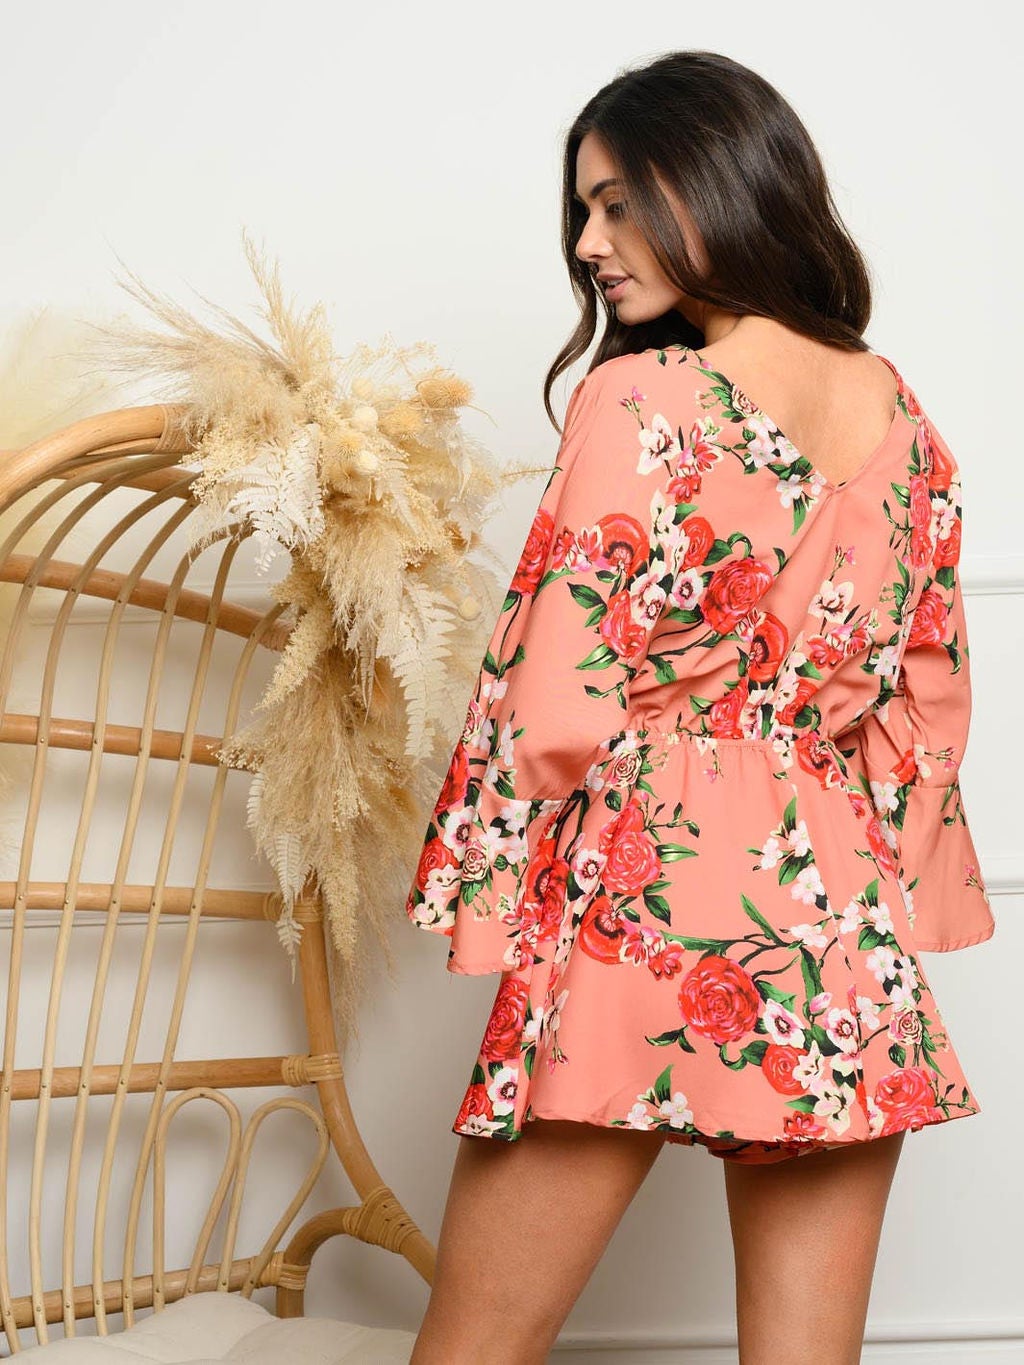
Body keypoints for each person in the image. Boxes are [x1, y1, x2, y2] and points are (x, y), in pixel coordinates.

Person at [405, 49, 994, 1365]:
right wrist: (896, 884)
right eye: (583, 210)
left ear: (716, 181)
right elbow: (926, 698)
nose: (587, 243)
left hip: (642, 884)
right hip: (833, 920)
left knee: (475, 1347)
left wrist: (486, 898)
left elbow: (550, 692)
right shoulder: (909, 424)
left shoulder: (645, 397)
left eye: (617, 203)